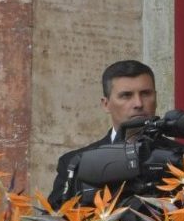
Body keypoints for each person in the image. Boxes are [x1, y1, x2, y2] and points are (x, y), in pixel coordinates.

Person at [48, 59, 159, 206]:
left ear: (156, 98)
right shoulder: (75, 163)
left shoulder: (181, 157)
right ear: (106, 104)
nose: (138, 103)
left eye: (145, 93)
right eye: (126, 95)